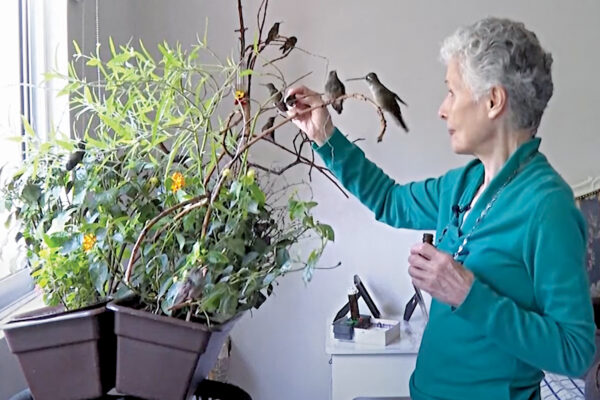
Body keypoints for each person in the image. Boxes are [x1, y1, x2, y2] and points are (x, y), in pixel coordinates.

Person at [286, 17, 596, 400]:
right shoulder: (462, 184)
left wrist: (470, 296)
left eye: (451, 92)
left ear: (494, 101)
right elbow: (389, 201)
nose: (442, 110)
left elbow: (576, 351)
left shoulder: (548, 207)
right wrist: (323, 135)